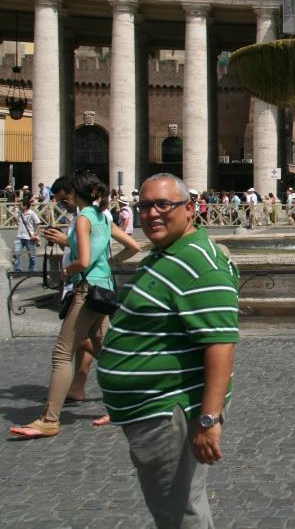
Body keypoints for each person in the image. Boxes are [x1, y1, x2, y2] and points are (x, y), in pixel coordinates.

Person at [96, 173, 238, 527]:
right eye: (144, 206)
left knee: (179, 512)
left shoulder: (199, 264)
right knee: (181, 505)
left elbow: (220, 344)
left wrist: (208, 420)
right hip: (153, 408)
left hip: (169, 410)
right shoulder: (166, 254)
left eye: (163, 204)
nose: (151, 213)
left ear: (190, 209)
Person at [10, 170, 140, 439]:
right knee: (105, 349)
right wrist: (110, 263)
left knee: (61, 352)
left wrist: (65, 271)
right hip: (104, 288)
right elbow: (133, 247)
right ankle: (130, 404)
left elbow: (83, 260)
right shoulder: (103, 216)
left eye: (65, 197)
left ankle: (49, 419)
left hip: (87, 290)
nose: (63, 201)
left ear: (74, 193)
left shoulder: (83, 218)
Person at [12, 195, 42, 272]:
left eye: (20, 205)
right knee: (17, 253)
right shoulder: (19, 213)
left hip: (29, 237)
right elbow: (18, 223)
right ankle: (18, 269)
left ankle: (32, 269)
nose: (19, 206)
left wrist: (35, 234)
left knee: (32, 255)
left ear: (25, 206)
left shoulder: (31, 213)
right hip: (19, 236)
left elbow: (38, 223)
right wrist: (15, 218)